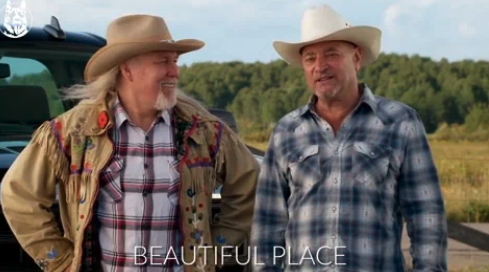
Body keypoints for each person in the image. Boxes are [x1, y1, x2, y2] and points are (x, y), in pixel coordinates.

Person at [1, 14, 260, 272]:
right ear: (127, 69)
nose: (175, 71)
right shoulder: (72, 133)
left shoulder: (202, 130)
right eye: (163, 62)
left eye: (175, 61)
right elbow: (18, 195)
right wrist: (61, 261)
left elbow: (251, 185)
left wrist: (216, 249)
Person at [251, 4, 447, 272]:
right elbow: (267, 226)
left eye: (331, 54)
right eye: (310, 59)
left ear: (356, 58)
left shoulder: (400, 122)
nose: (320, 66)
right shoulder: (286, 130)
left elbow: (426, 216)